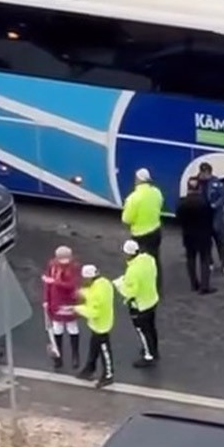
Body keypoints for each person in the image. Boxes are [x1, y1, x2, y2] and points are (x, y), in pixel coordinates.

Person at [115, 239, 160, 369]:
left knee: (143, 331)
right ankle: (154, 349)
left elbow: (130, 292)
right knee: (151, 328)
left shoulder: (132, 270)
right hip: (151, 299)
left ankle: (148, 355)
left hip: (140, 305)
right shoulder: (149, 259)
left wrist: (119, 285)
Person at [121, 167, 164, 290]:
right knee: (155, 260)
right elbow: (160, 204)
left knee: (140, 263)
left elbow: (126, 219)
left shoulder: (133, 198)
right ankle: (157, 286)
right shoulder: (156, 192)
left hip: (140, 235)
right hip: (156, 231)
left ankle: (144, 288)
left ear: (138, 180)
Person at [75, 264, 116, 389]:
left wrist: (77, 308)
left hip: (100, 325)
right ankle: (89, 369)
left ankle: (108, 375)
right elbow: (92, 293)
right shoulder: (104, 283)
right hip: (102, 322)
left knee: (104, 351)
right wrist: (82, 292)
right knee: (94, 348)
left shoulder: (96, 292)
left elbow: (93, 312)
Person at [42, 245, 81, 371]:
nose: (64, 262)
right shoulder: (52, 265)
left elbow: (72, 285)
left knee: (72, 328)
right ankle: (58, 357)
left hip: (69, 301)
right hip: (56, 301)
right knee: (57, 329)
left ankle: (75, 356)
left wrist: (54, 282)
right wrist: (46, 300)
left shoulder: (74, 267)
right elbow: (47, 285)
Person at [175, 177, 215, 294]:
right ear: (199, 188)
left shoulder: (182, 203)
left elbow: (179, 219)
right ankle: (204, 286)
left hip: (188, 235)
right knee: (205, 259)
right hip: (203, 235)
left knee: (190, 259)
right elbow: (210, 218)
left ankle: (194, 283)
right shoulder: (204, 203)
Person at [196, 162, 224, 279]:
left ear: (209, 173)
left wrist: (215, 204)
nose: (202, 175)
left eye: (205, 173)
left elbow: (223, 197)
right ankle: (209, 263)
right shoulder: (197, 182)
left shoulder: (216, 183)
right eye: (201, 172)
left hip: (215, 218)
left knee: (220, 243)